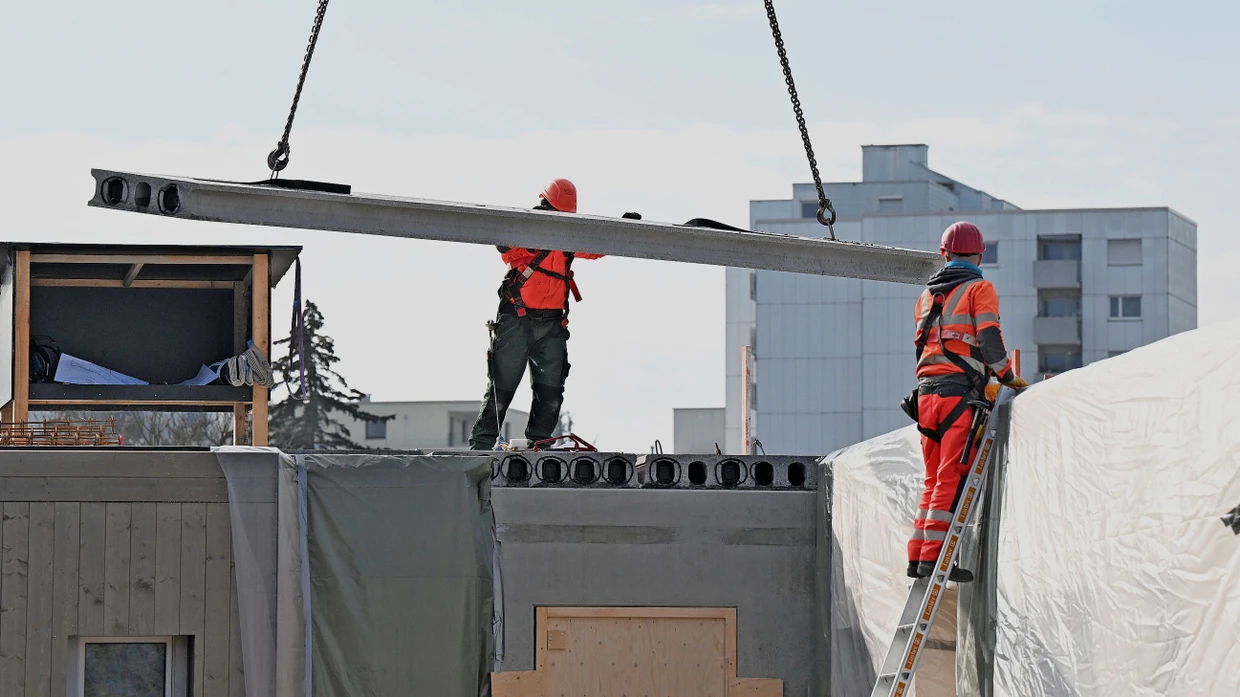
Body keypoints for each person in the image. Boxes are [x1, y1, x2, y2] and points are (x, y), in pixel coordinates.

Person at [905, 221, 1028, 582]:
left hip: (926, 396)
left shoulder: (926, 297)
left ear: (943, 254)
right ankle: (934, 560)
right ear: (980, 256)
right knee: (950, 478)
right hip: (957, 396)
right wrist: (1007, 376)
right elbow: (989, 339)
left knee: (932, 480)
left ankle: (917, 556)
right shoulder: (979, 289)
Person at [468, 178, 605, 450]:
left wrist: (621, 228)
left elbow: (597, 249)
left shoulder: (569, 238)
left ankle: (540, 448)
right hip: (517, 320)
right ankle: (481, 448)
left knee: (551, 392)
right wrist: (529, 235)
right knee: (501, 390)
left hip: (552, 324)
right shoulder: (526, 229)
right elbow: (504, 246)